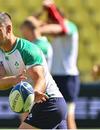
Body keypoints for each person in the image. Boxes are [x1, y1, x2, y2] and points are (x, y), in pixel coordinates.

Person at [0, 11, 67, 129]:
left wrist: (35, 92)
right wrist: (14, 80)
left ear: (8, 29)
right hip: (42, 105)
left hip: (48, 101)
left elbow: (40, 78)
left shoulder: (27, 50)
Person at [39, 0, 80, 129]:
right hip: (55, 77)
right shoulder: (57, 32)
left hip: (68, 77)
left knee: (68, 118)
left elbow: (61, 27)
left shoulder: (70, 26)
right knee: (56, 116)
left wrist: (51, 8)